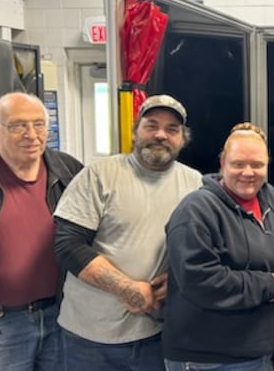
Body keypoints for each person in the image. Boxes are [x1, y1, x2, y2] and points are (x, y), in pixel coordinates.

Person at [53, 94, 202, 371]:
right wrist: (127, 289)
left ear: (183, 138)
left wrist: (179, 280)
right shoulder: (99, 175)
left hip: (157, 336)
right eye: (151, 125)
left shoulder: (194, 183)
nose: (160, 134)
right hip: (90, 339)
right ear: (135, 131)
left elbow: (201, 249)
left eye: (172, 129)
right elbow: (68, 245)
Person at [162, 122, 274, 371]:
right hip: (210, 359)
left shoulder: (270, 198)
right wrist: (270, 285)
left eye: (257, 165)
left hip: (258, 351)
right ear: (222, 162)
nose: (248, 172)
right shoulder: (196, 211)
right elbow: (202, 281)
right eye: (238, 164)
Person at [0, 92, 83, 371]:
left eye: (39, 124)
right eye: (18, 125)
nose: (32, 134)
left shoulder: (69, 171)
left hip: (60, 318)